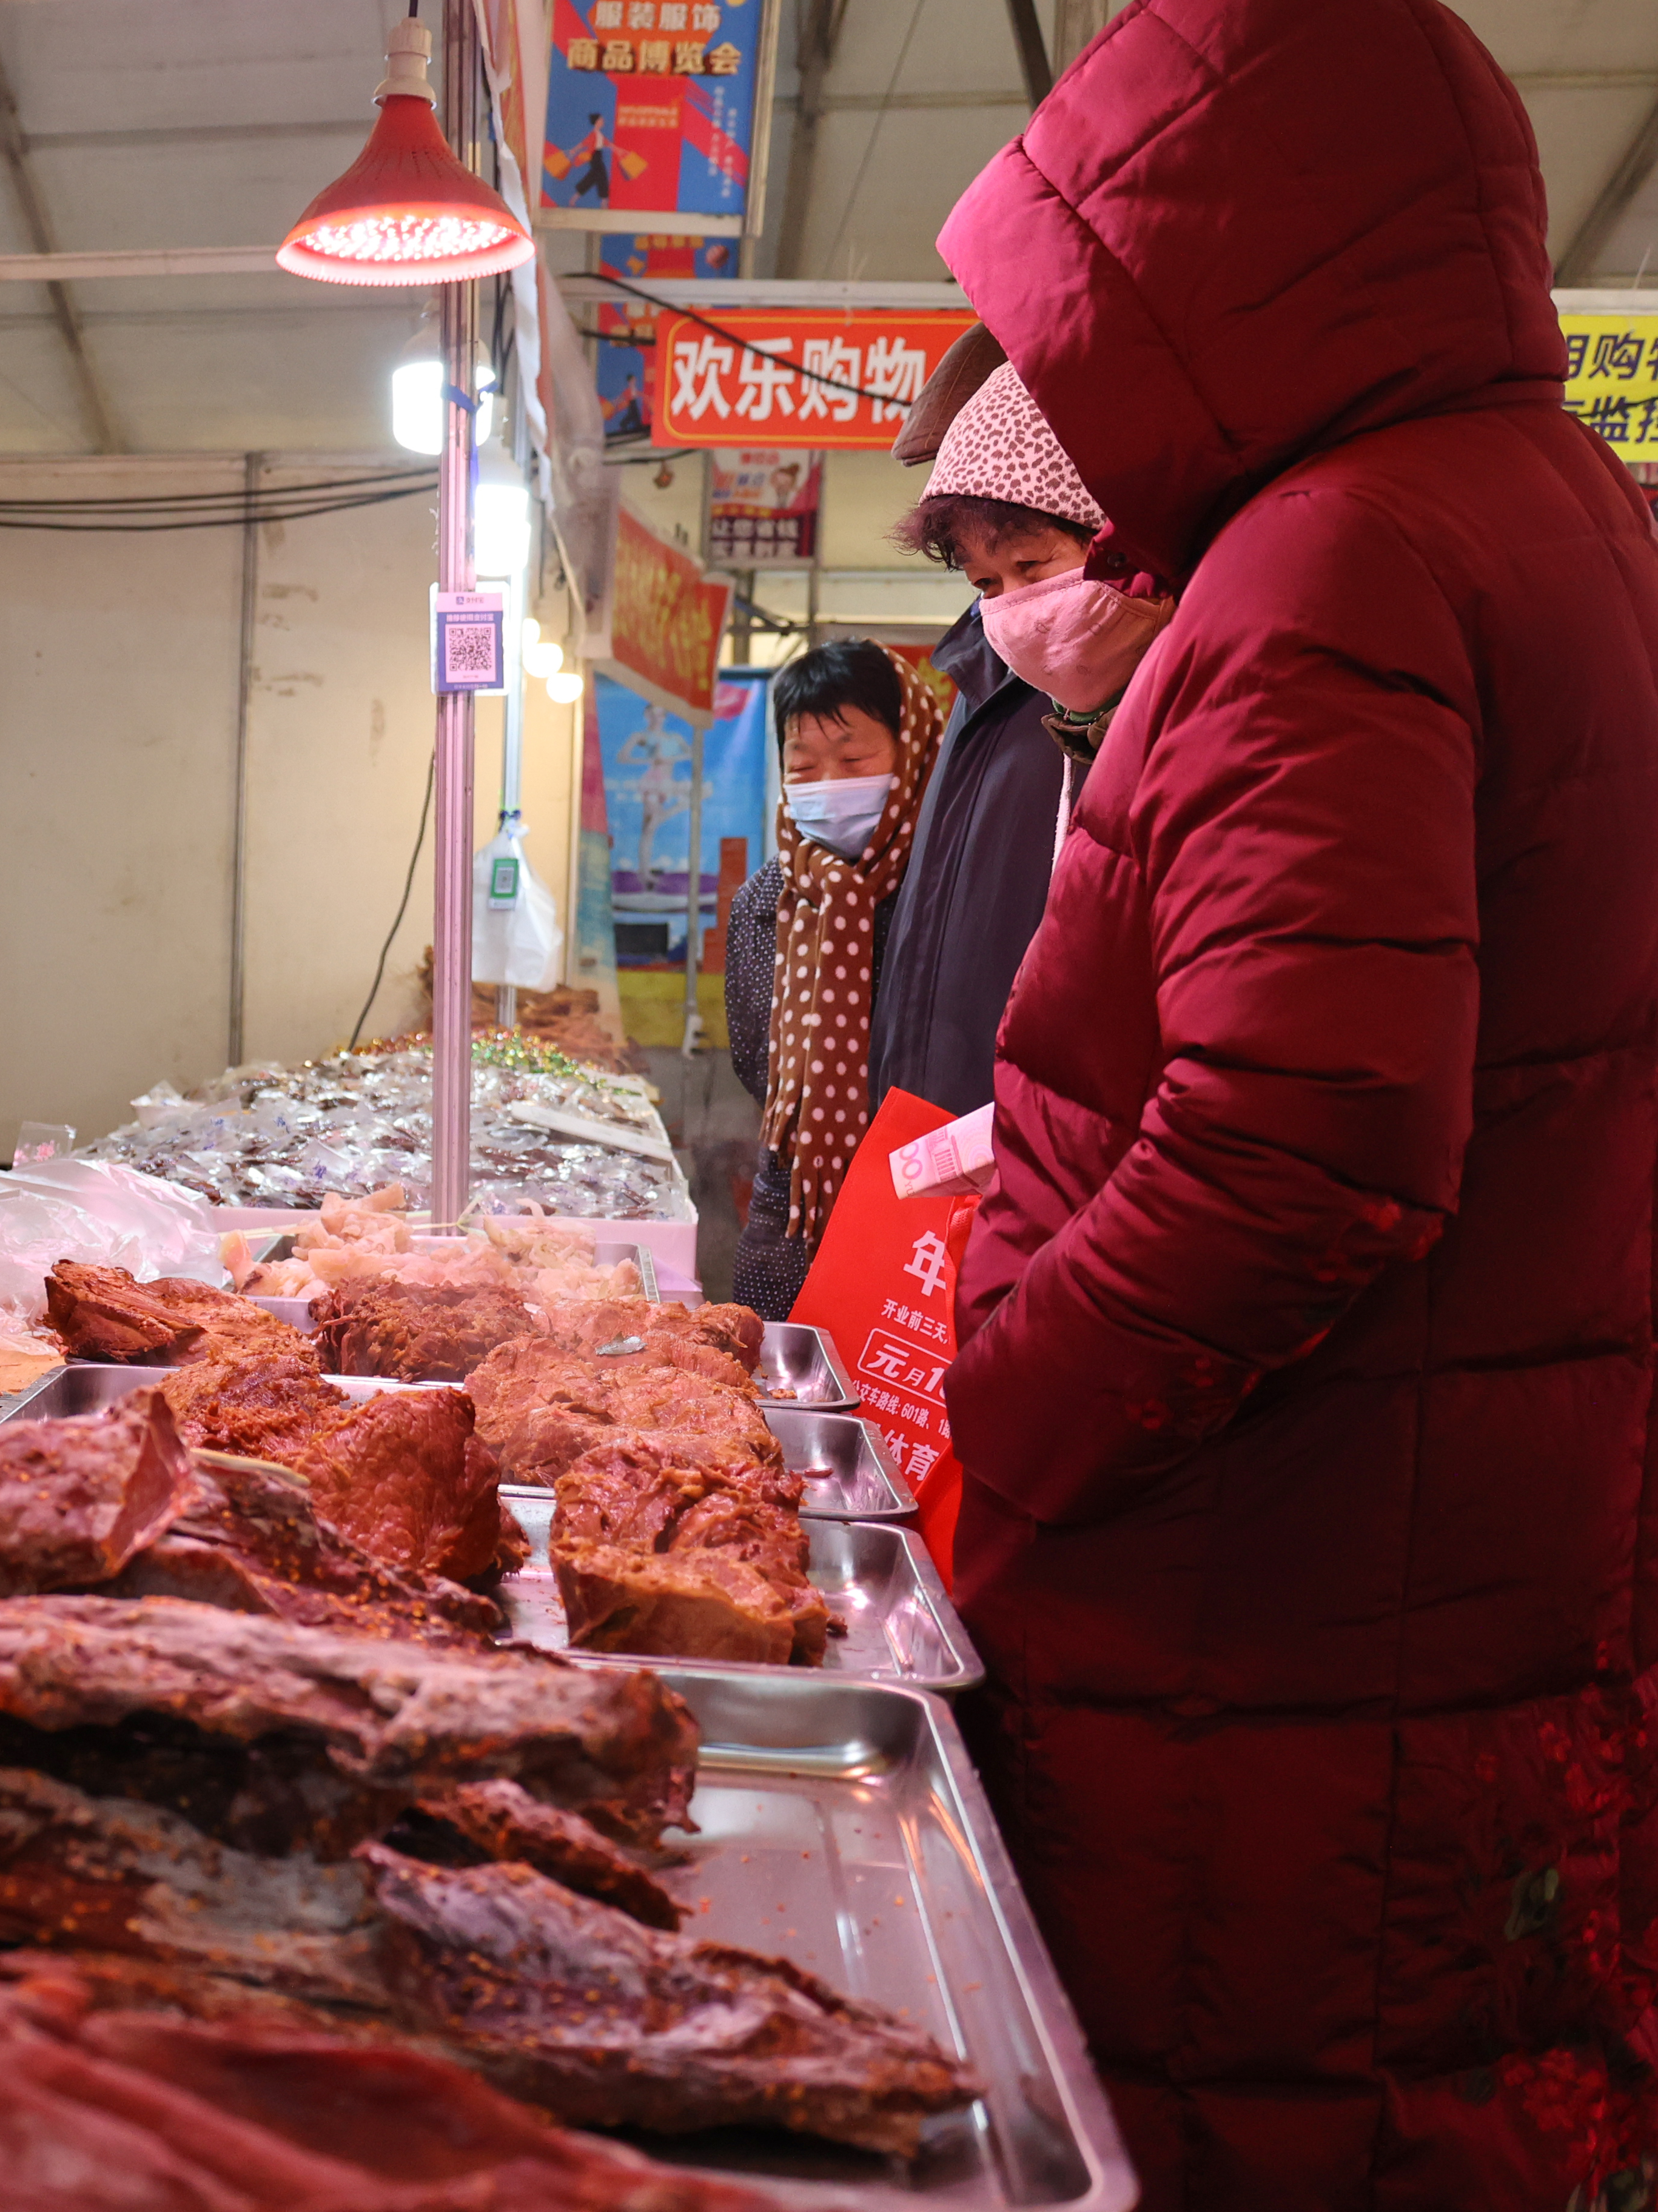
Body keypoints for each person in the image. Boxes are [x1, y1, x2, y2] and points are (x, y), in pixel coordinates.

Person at [933, 1, 1658, 2204]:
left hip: (1271, 1615)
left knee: (1266, 2126)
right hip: (1467, 1570)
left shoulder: (1330, 561)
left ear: (1204, 273)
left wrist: (1018, 1411)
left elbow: (1300, 1139)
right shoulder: (1570, 518)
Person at [862, 354, 1093, 1117]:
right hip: (940, 1129)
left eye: (1033, 563)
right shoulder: (983, 669)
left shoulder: (1113, 691)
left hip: (1027, 1142)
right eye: (987, 582)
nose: (1015, 605)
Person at [723, 640, 944, 1318]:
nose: (826, 784)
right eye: (803, 765)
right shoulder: (766, 902)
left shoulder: (945, 892)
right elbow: (752, 1059)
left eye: (853, 761)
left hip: (925, 1217)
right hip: (788, 1225)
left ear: (914, 752)